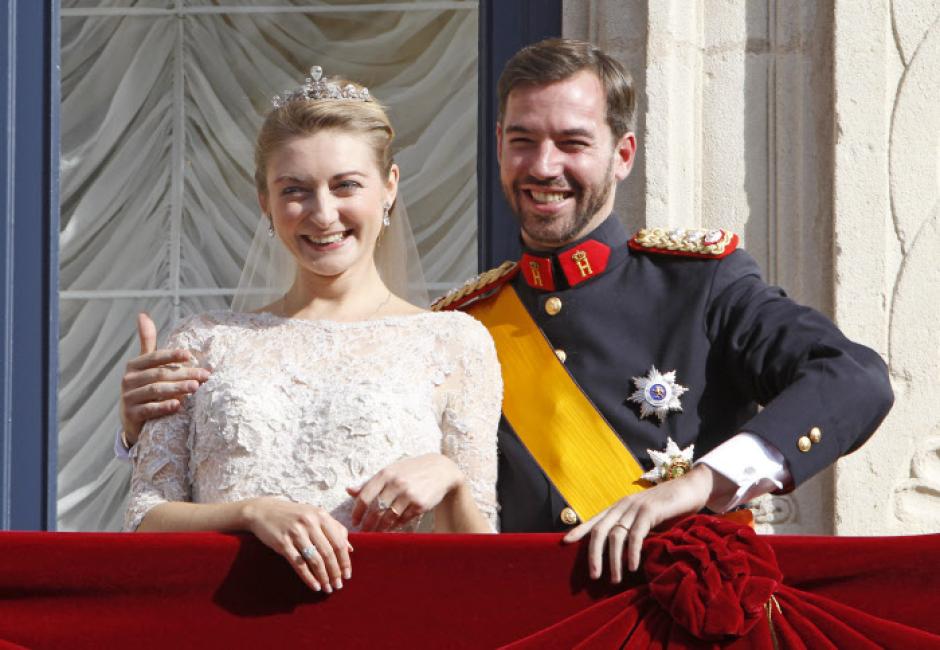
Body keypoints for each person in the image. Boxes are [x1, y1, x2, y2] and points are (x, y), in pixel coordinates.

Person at [120, 41, 893, 585]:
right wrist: (146, 430)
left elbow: (854, 377)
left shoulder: (699, 286)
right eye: (523, 141)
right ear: (498, 147)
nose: (544, 166)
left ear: (623, 155)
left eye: (572, 142)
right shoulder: (469, 320)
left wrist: (696, 488)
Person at [120, 69, 501, 595]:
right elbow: (142, 519)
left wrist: (452, 483)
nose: (323, 215)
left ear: (389, 188)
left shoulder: (457, 343)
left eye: (346, 185)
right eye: (295, 191)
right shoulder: (202, 341)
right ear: (265, 203)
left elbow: (488, 574)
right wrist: (252, 513)